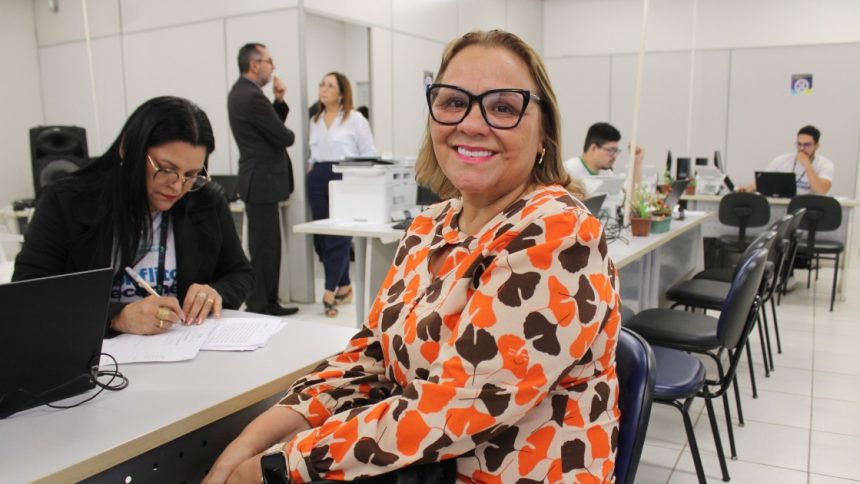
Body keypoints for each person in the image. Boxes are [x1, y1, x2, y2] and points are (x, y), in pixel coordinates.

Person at [204, 30, 620, 483]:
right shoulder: (428, 226)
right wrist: (246, 447)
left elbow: (452, 409)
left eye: (503, 107)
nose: (472, 124)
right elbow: (366, 361)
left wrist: (270, 468)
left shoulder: (560, 231)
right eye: (453, 102)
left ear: (544, 135)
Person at [14, 96, 253, 335]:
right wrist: (116, 316)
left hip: (180, 347)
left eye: (191, 175)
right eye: (166, 169)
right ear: (128, 150)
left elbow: (240, 273)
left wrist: (216, 293)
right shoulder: (66, 202)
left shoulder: (206, 201)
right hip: (93, 351)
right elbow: (28, 294)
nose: (177, 186)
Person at [228, 42, 298, 317]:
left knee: (266, 247)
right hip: (261, 181)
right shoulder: (251, 96)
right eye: (269, 61)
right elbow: (283, 136)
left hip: (258, 181)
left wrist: (278, 101)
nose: (273, 66)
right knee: (265, 248)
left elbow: (268, 128)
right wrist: (285, 129)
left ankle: (267, 302)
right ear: (255, 64)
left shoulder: (243, 92)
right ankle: (261, 304)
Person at [306, 71, 377, 318]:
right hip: (317, 178)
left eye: (330, 85)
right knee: (321, 237)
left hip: (344, 178)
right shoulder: (315, 119)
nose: (323, 89)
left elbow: (369, 153)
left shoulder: (355, 119)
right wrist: (311, 168)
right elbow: (313, 153)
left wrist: (362, 184)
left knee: (338, 237)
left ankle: (329, 292)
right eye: (322, 84)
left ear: (341, 93)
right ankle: (345, 287)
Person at [741, 125, 834, 195]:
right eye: (799, 144)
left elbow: (821, 191)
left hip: (808, 207)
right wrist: (747, 189)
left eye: (807, 145)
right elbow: (762, 182)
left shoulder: (825, 164)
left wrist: (807, 165)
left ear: (817, 146)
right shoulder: (781, 160)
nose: (802, 148)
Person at [564, 121, 644, 189]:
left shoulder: (607, 173)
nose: (614, 156)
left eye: (616, 151)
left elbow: (629, 195)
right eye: (610, 150)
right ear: (593, 148)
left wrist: (637, 162)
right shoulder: (569, 172)